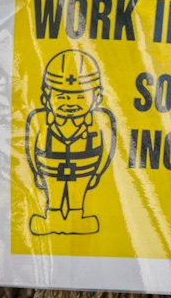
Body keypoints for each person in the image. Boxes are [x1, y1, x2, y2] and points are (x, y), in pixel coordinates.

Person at [24, 49, 116, 235]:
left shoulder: (101, 122)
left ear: (97, 97)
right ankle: (53, 217)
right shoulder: (38, 120)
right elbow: (30, 148)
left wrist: (97, 173)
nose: (71, 103)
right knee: (54, 198)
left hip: (84, 170)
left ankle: (78, 217)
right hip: (50, 169)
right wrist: (35, 173)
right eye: (62, 97)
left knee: (77, 198)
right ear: (46, 98)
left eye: (80, 96)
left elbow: (108, 149)